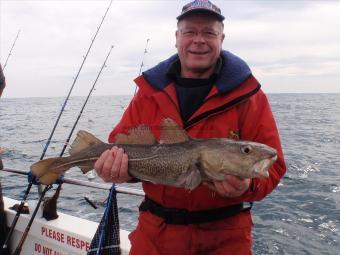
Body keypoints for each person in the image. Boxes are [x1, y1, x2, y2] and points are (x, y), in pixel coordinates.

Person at [94, 0, 286, 254]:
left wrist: (247, 186)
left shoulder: (249, 96)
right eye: (190, 32)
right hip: (155, 236)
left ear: (221, 39)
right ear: (177, 38)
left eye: (209, 32)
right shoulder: (148, 93)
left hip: (225, 240)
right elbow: (120, 147)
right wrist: (115, 169)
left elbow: (274, 166)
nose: (199, 40)